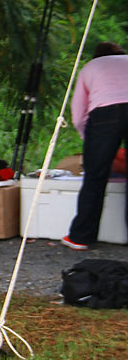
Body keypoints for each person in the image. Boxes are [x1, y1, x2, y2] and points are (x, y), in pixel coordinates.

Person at [61, 41, 128, 251]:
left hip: (105, 113)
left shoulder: (90, 67)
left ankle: (81, 237)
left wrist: (88, 139)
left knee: (95, 177)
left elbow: (78, 114)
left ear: (97, 56)